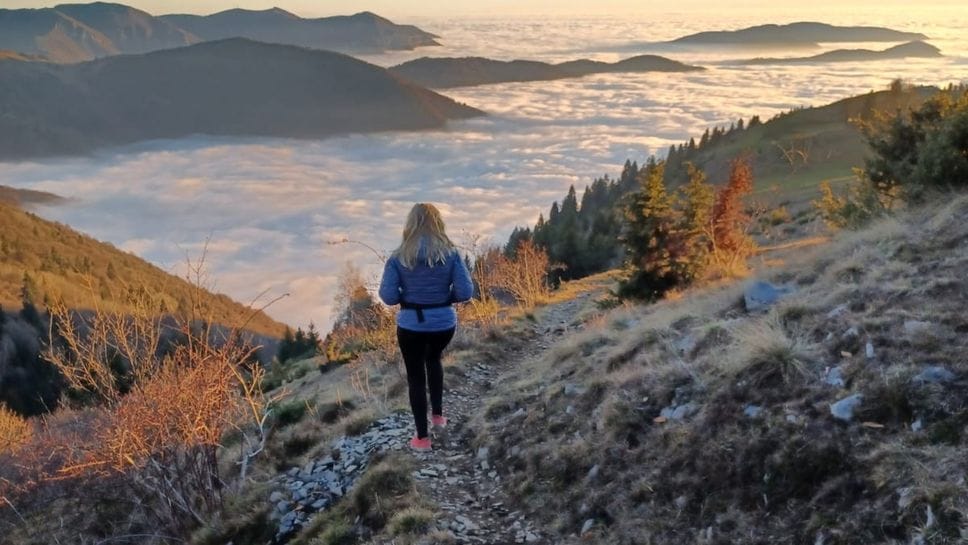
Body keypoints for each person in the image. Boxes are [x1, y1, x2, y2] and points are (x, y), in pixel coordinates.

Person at [379, 203, 474, 452]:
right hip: (443, 324)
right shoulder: (451, 254)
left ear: (410, 223)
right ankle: (439, 418)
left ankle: (421, 439)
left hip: (411, 326)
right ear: (438, 223)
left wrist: (409, 297)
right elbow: (465, 292)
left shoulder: (399, 256)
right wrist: (442, 298)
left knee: (415, 378)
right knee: (434, 360)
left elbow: (388, 296)